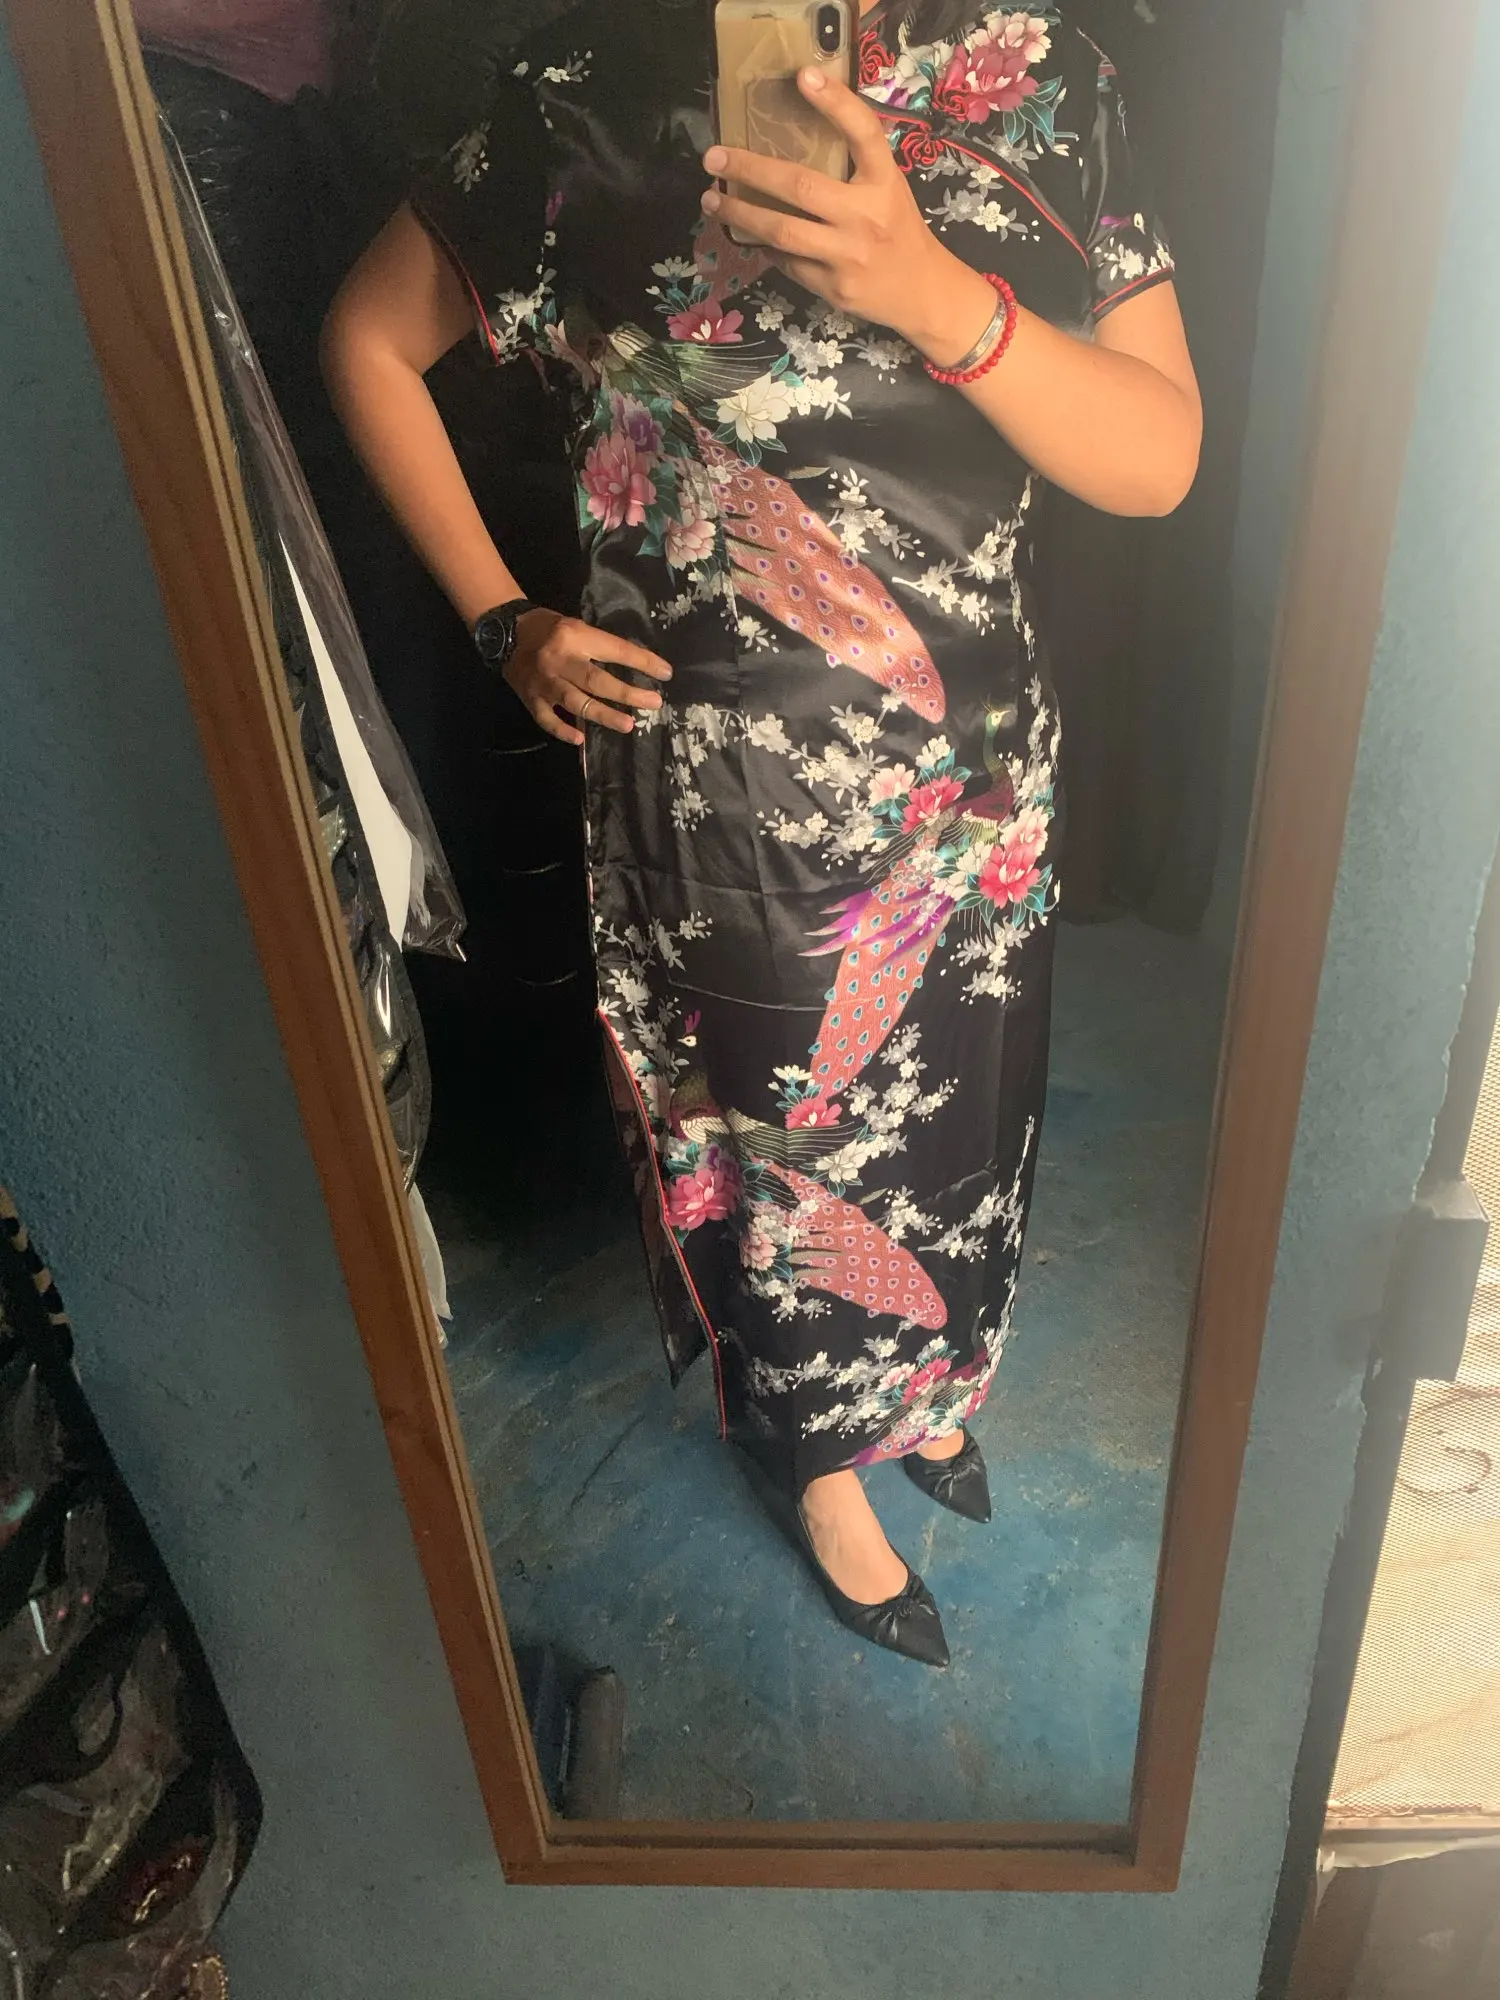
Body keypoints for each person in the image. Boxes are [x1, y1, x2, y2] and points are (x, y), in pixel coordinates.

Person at [321, 0, 1200, 1666]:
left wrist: (935, 295)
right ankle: (817, 1463)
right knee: (784, 1154)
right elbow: (366, 343)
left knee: (963, 1127)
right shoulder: (582, 96)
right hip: (722, 803)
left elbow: (1157, 459)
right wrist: (506, 618)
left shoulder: (1042, 79)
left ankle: (926, 1386)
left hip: (975, 791)